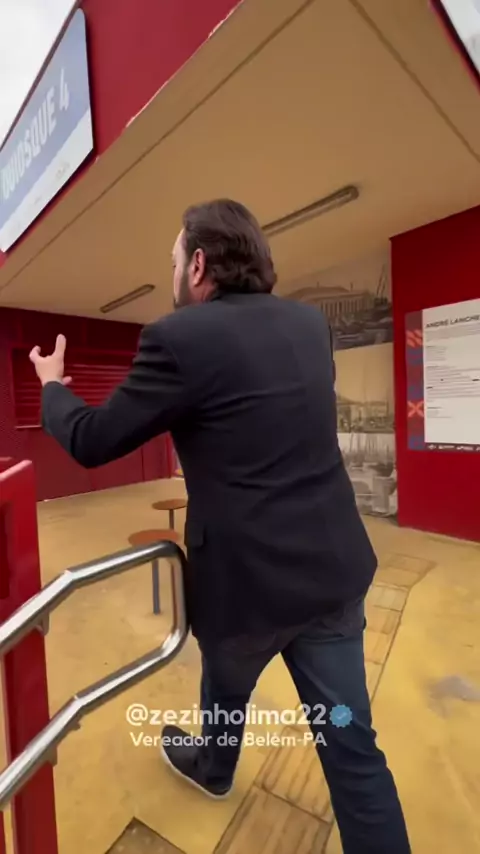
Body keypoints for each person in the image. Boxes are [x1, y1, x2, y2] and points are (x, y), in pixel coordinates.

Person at [30, 199, 410, 853]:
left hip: (243, 592)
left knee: (225, 689)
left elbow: (92, 440)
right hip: (330, 576)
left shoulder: (179, 339)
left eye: (174, 261)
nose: (173, 274)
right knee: (352, 747)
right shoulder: (308, 325)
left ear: (199, 265)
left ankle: (214, 767)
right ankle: (216, 763)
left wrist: (52, 387)